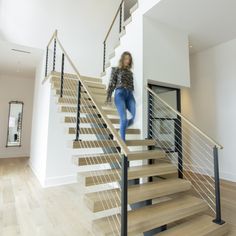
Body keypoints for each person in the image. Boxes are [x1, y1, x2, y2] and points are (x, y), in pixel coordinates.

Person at [106, 51, 136, 141]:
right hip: (120, 94)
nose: (128, 61)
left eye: (129, 59)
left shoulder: (130, 73)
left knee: (134, 117)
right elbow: (112, 83)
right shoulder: (116, 69)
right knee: (123, 119)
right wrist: (108, 97)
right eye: (126, 58)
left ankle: (121, 129)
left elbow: (131, 85)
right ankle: (123, 144)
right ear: (122, 59)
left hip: (130, 95)